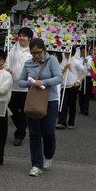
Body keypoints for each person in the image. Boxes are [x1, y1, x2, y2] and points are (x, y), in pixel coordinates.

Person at [18, 38, 63, 176]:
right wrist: (31, 83)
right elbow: (20, 81)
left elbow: (59, 78)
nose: (36, 56)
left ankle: (48, 154)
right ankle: (36, 164)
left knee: (48, 131)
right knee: (34, 134)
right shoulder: (28, 63)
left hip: (50, 100)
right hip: (33, 101)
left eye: (38, 52)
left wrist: (43, 82)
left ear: (44, 50)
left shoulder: (52, 60)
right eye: (33, 53)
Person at [7, 27, 33, 146]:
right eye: (20, 35)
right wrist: (8, 69)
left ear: (30, 38)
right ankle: (21, 127)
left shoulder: (32, 51)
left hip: (26, 86)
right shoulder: (14, 48)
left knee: (24, 111)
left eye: (24, 36)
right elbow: (8, 61)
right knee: (11, 108)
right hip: (13, 85)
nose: (21, 38)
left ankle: (19, 135)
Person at [56, 47, 86, 129]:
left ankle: (71, 122)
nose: (65, 53)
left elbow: (85, 71)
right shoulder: (63, 61)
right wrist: (65, 68)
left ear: (70, 52)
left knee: (71, 104)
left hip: (72, 85)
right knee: (62, 104)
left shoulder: (75, 61)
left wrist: (79, 81)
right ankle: (62, 122)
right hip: (63, 86)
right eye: (65, 51)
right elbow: (58, 71)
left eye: (67, 51)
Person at [78, 46, 92, 116]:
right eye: (82, 52)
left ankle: (86, 110)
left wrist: (87, 63)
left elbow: (90, 68)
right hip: (81, 78)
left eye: (84, 51)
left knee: (86, 94)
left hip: (87, 77)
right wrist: (83, 63)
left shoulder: (90, 58)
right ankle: (81, 108)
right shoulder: (79, 59)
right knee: (81, 94)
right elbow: (79, 69)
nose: (83, 53)